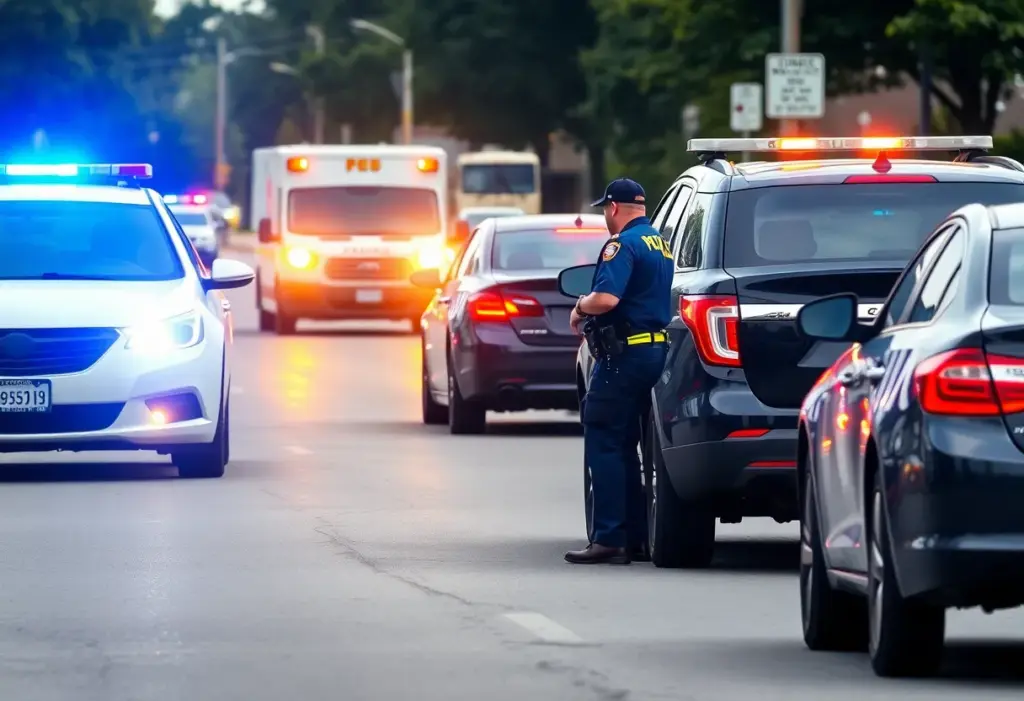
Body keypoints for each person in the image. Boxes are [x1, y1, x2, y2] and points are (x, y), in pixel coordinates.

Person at [566, 178, 673, 565]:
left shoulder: (621, 245)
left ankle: (610, 538)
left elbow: (607, 298)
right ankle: (637, 537)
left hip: (622, 356)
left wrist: (579, 307)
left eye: (604, 211)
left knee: (605, 438)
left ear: (613, 207)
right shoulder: (659, 243)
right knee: (628, 443)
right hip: (652, 351)